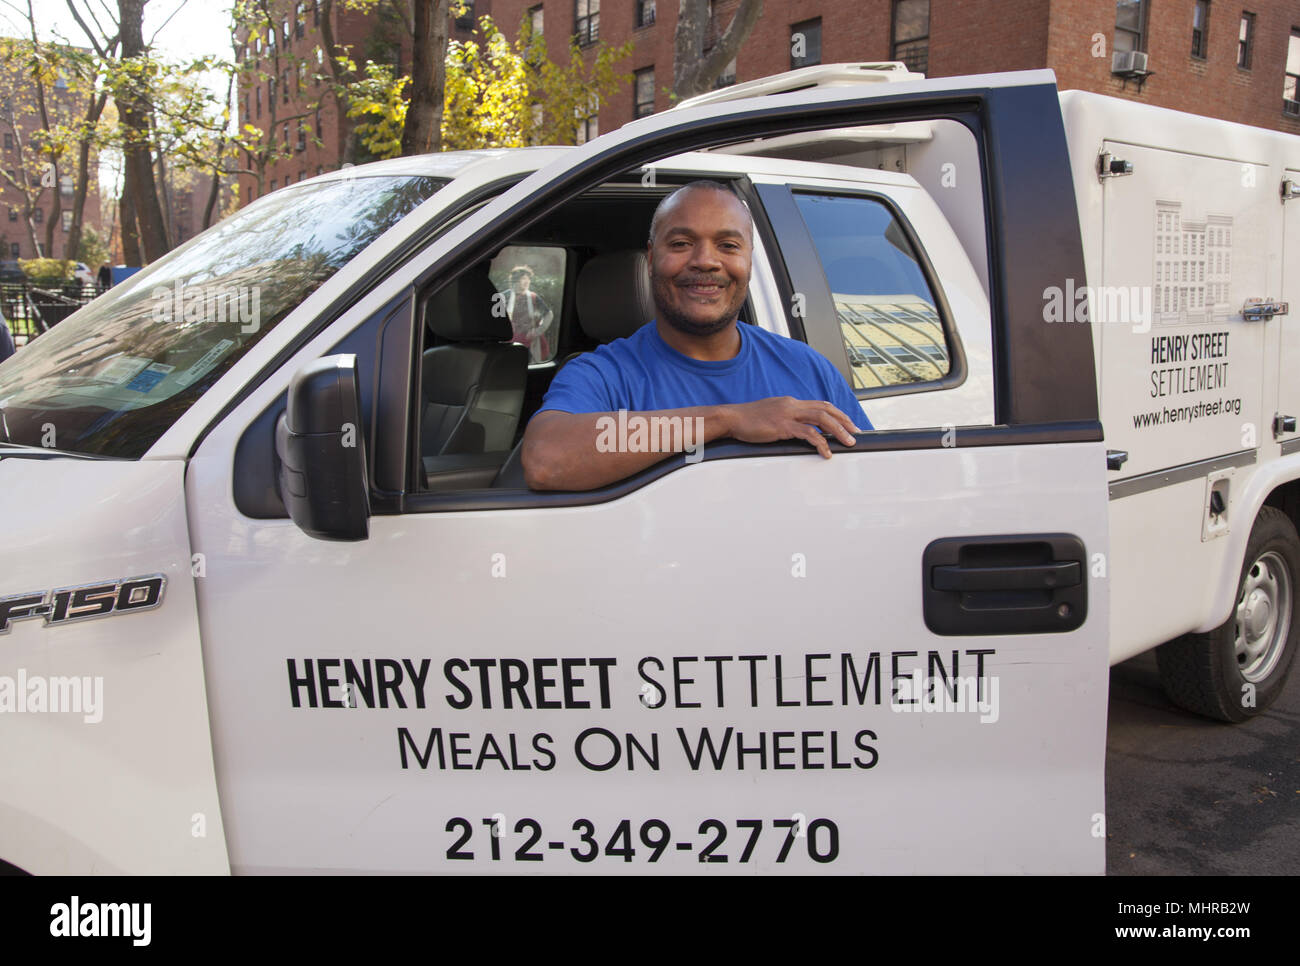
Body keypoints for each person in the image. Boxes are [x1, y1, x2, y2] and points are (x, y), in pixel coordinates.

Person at [521, 180, 870, 491]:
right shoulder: (603, 374)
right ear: (652, 258)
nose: (705, 261)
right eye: (682, 243)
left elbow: (874, 482)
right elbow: (547, 458)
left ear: (749, 260)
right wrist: (729, 420)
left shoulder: (807, 369)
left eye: (728, 246)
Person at [501, 265, 554, 364]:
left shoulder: (533, 297)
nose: (527, 281)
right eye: (523, 278)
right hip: (508, 343)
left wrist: (537, 331)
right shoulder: (504, 296)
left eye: (528, 279)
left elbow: (549, 315)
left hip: (530, 344)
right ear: (516, 280)